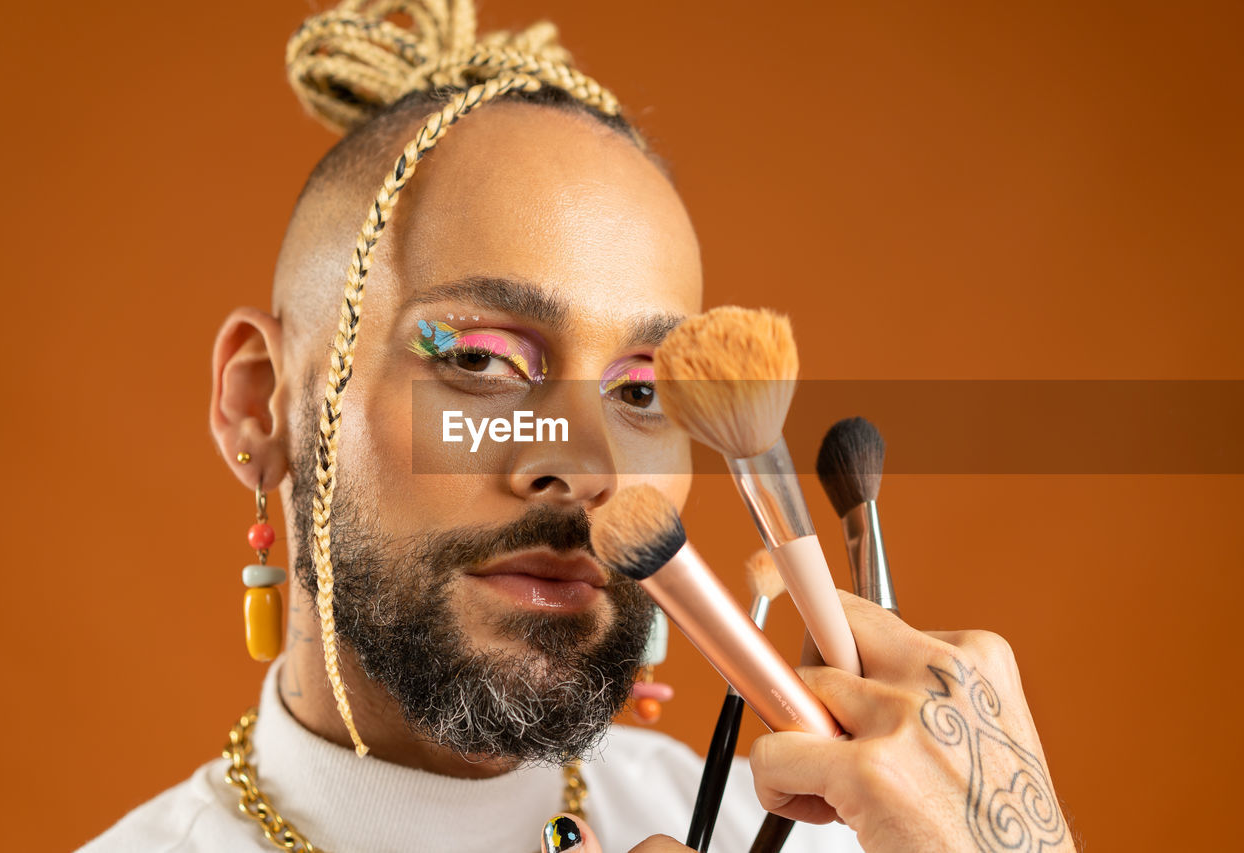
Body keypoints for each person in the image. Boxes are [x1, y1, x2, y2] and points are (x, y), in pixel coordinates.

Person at [84, 2, 1076, 851]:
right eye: (477, 361)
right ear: (263, 405)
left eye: (642, 390)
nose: (586, 465)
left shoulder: (804, 822)